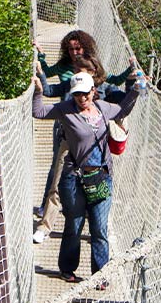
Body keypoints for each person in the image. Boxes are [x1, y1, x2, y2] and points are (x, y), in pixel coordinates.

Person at [32, 71, 139, 286]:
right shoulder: (66, 110)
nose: (82, 98)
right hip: (74, 178)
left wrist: (134, 89)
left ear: (93, 91)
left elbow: (122, 110)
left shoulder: (102, 108)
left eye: (85, 93)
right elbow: (39, 112)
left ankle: (100, 275)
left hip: (101, 176)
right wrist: (38, 91)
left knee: (99, 227)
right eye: (77, 94)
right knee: (75, 223)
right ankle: (67, 268)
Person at [33, 30, 134, 220]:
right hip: (66, 132)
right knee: (57, 173)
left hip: (94, 142)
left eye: (77, 49)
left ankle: (90, 215)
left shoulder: (104, 88)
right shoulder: (69, 81)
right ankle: (46, 221)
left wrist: (132, 82)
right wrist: (40, 69)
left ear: (93, 72)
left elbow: (123, 102)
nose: (74, 53)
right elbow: (47, 90)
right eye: (70, 49)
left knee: (92, 178)